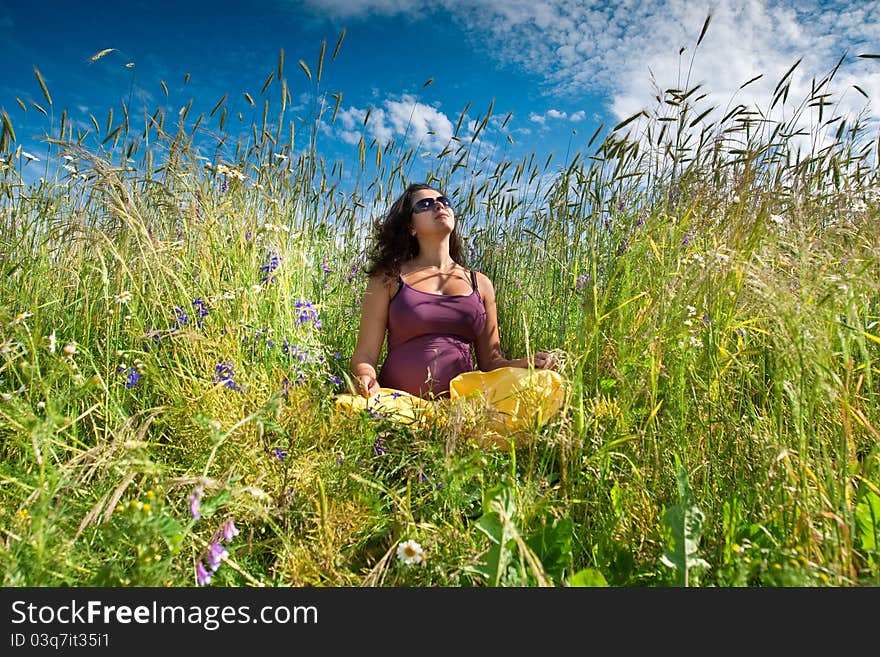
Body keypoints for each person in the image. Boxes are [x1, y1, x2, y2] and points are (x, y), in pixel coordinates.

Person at [350, 182, 557, 400]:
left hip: (462, 409)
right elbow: (365, 355)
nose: (439, 206)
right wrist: (365, 377)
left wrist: (525, 364)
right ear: (411, 227)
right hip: (398, 404)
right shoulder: (388, 278)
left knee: (547, 383)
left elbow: (491, 362)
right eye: (426, 204)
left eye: (444, 202)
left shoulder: (481, 284)